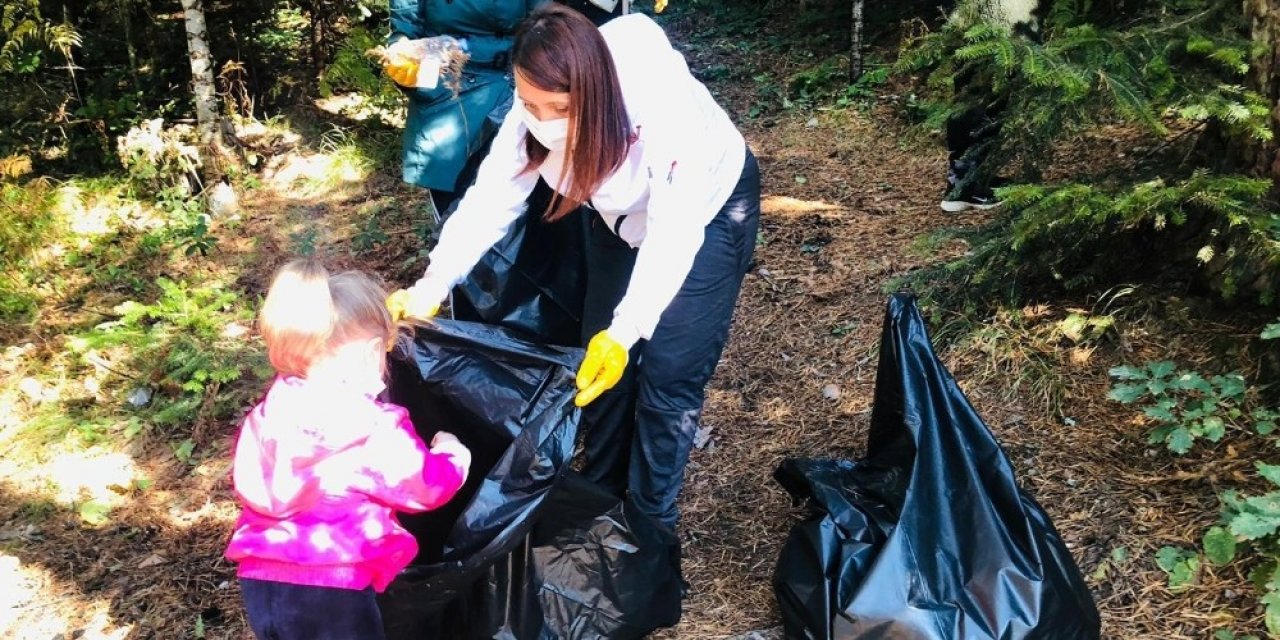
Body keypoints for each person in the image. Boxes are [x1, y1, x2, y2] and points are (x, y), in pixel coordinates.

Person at [389, 4, 760, 532]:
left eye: (558, 108)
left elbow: (674, 230)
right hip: (616, 218)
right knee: (596, 361)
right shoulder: (528, 119)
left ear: (594, 91)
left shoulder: (660, 107)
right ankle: (599, 497)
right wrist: (434, 281)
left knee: (669, 371)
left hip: (708, 210)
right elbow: (490, 200)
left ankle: (649, 524)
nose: (542, 120)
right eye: (529, 103)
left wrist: (628, 329)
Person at [224, 258, 472, 640]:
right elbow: (425, 486)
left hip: (260, 578)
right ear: (372, 352)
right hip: (334, 585)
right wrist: (453, 455)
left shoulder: (269, 414)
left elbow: (250, 483)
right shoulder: (371, 425)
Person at [938, 0, 1043, 213]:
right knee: (979, 98)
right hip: (992, 19)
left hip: (988, 18)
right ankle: (965, 187)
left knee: (988, 98)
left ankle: (972, 178)